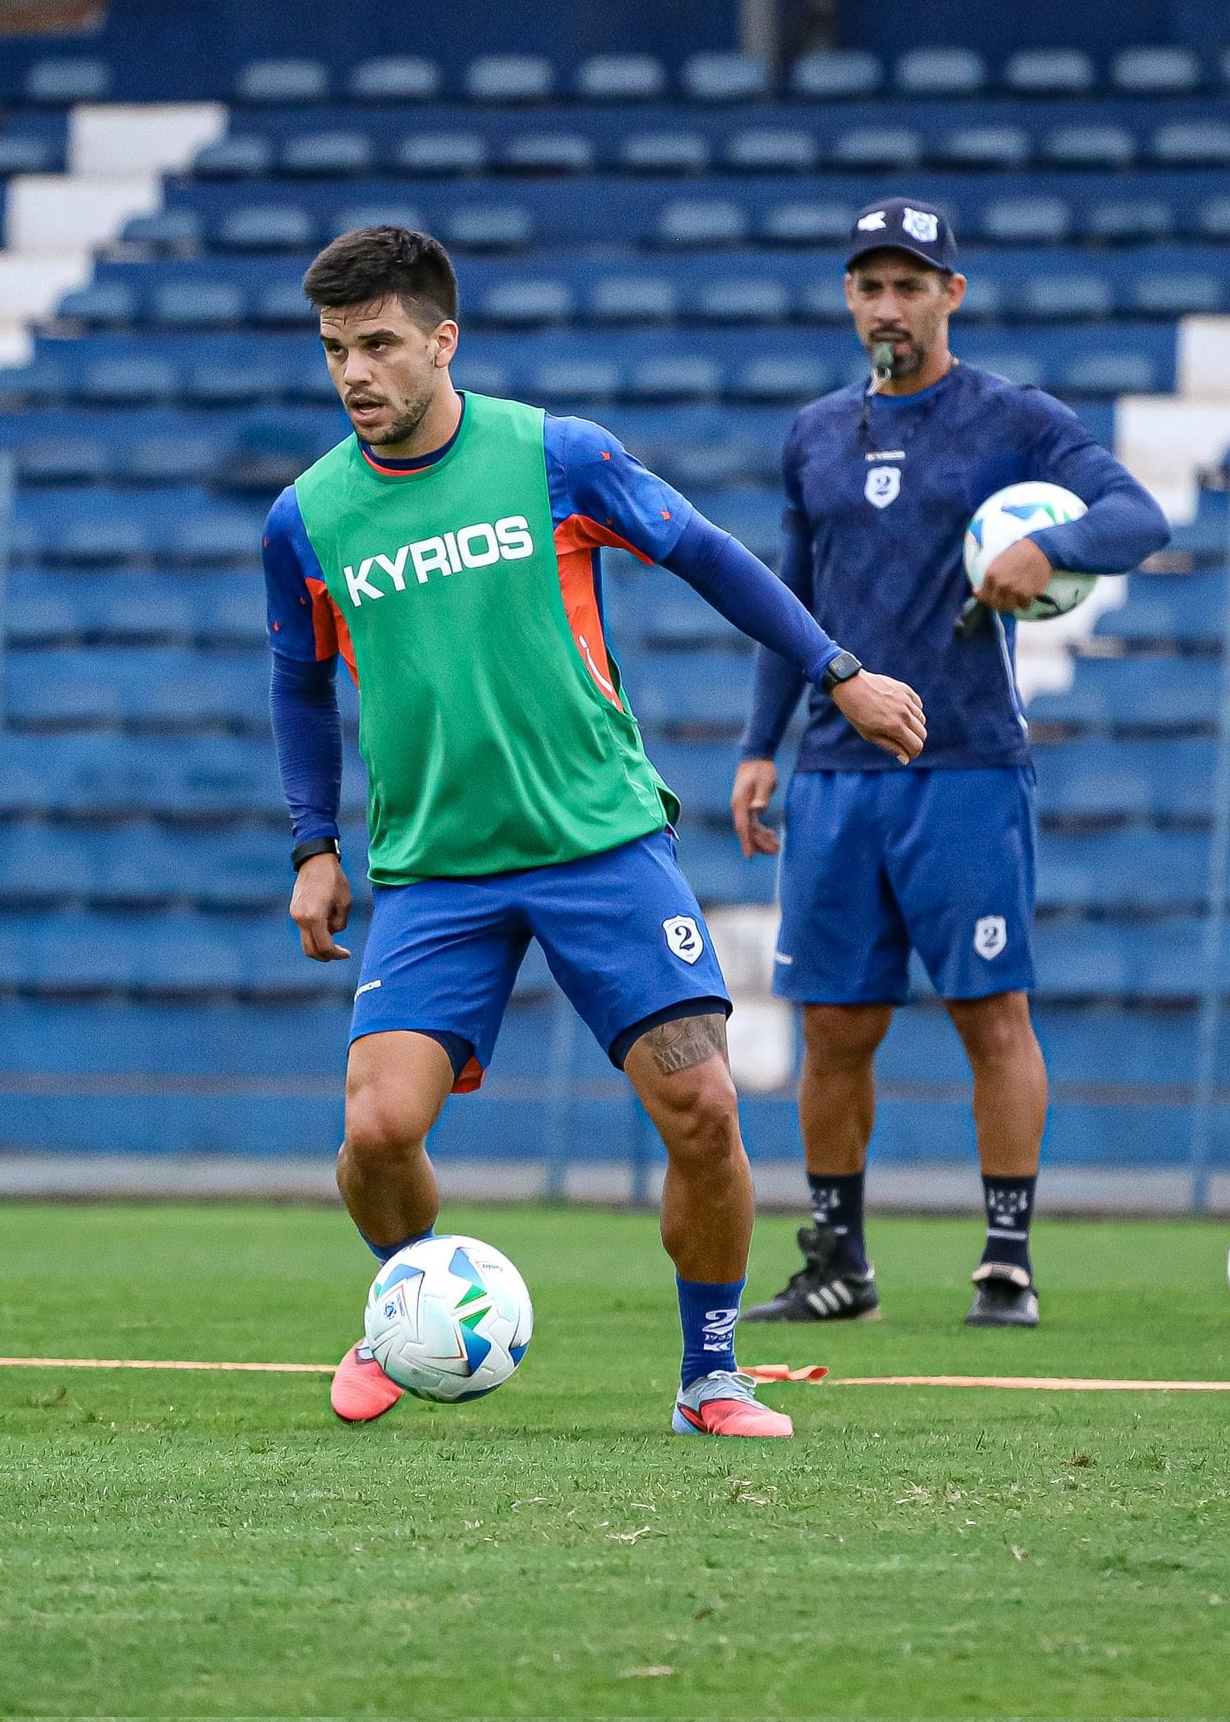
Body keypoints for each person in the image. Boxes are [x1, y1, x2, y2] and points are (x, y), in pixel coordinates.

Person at [263, 226, 926, 1436]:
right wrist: (315, 841)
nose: (354, 372)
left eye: (379, 344)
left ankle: (711, 1374)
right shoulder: (306, 518)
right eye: (334, 350)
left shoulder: (555, 457)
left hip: (599, 840)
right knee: (374, 1129)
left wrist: (836, 669)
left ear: (442, 341)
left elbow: (709, 556)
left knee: (706, 1109)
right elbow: (299, 680)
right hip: (434, 868)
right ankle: (404, 1308)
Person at [733, 198, 1171, 1330]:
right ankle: (837, 1261)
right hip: (833, 773)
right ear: (848, 297)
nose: (889, 303)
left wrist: (1049, 545)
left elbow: (1139, 515)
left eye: (910, 283)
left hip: (967, 763)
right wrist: (757, 747)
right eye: (870, 284)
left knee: (990, 1012)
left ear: (950, 295)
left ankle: (1006, 1258)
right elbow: (790, 601)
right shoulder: (814, 433)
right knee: (832, 1026)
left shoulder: (1012, 421)